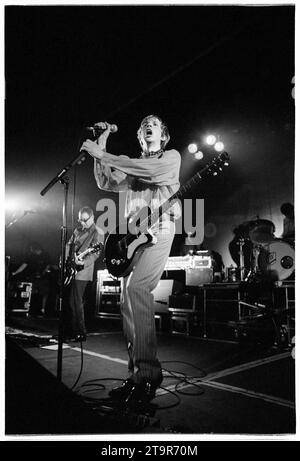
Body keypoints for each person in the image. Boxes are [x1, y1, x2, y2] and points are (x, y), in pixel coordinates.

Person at [81, 115, 181, 407]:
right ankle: (137, 375)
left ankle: (150, 375)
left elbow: (148, 171)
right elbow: (105, 181)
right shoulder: (130, 164)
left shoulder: (170, 157)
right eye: (143, 125)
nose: (148, 125)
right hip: (131, 238)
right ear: (140, 137)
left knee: (138, 289)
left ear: (163, 135)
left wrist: (105, 154)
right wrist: (102, 143)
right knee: (127, 301)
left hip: (159, 228)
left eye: (155, 124)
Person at [64, 206, 104, 342]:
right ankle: (72, 330)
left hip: (83, 272)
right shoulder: (77, 230)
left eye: (85, 220)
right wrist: (65, 260)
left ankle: (80, 332)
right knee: (71, 301)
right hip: (71, 269)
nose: (83, 223)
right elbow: (69, 245)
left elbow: (96, 253)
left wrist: (83, 263)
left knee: (76, 301)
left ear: (92, 217)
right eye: (80, 220)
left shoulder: (98, 232)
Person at [11, 242, 51, 316]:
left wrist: (44, 272)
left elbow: (48, 265)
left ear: (33, 248)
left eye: (31, 249)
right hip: (34, 277)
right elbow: (24, 265)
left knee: (44, 293)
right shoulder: (31, 256)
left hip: (42, 278)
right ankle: (32, 310)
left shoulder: (45, 255)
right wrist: (15, 273)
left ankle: (42, 310)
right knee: (32, 293)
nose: (30, 250)